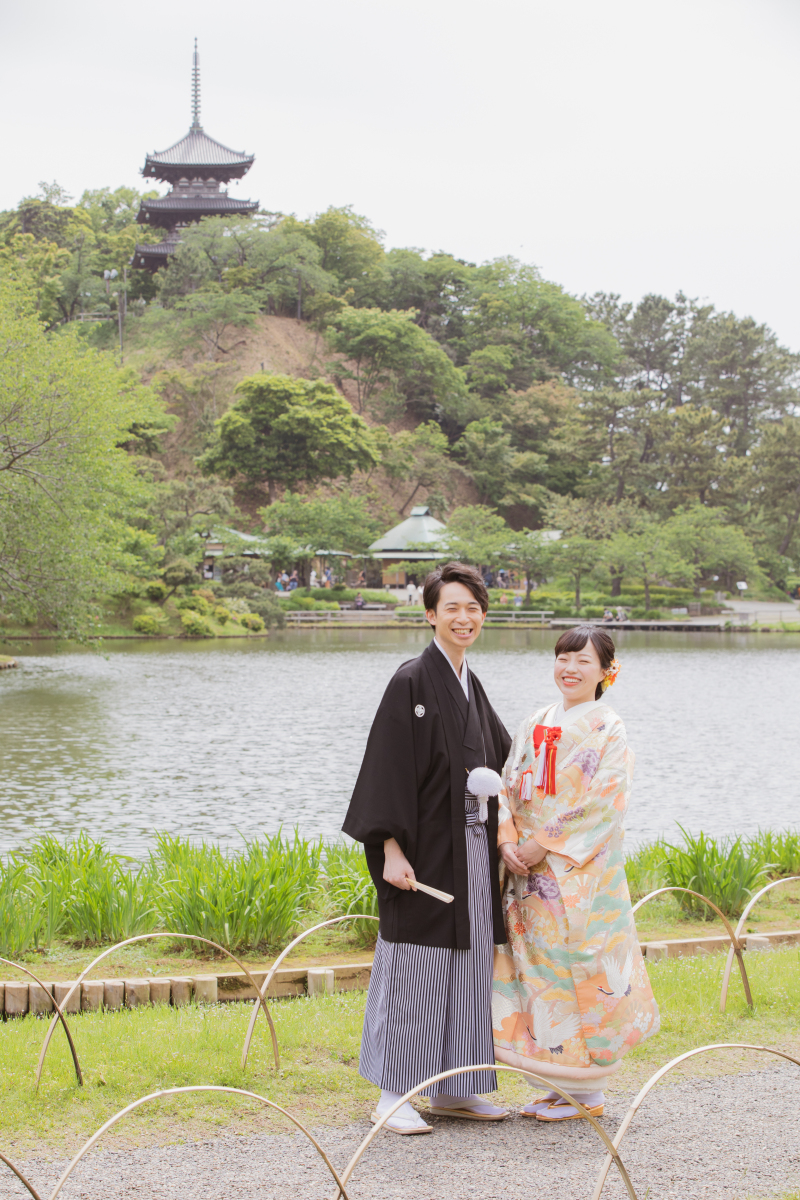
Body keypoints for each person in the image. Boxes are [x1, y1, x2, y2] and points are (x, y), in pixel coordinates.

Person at [343, 562, 512, 1135]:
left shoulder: (470, 681)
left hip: (471, 849)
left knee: (468, 967)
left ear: (483, 616)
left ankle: (458, 1089)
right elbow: (386, 770)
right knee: (416, 964)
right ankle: (395, 1093)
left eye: (473, 609)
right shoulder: (411, 679)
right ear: (430, 614)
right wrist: (389, 847)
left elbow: (500, 751)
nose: (463, 618)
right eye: (452, 608)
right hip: (421, 848)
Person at [493, 626, 659, 1121]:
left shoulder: (609, 728)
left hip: (578, 877)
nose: (570, 668)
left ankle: (589, 1091)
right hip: (526, 873)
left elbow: (601, 801)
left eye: (583, 661)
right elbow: (507, 782)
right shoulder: (535, 721)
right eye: (563, 657)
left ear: (608, 671)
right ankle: (556, 1082)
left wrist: (540, 843)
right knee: (537, 971)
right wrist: (507, 840)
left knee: (580, 970)